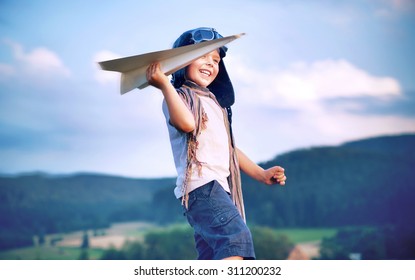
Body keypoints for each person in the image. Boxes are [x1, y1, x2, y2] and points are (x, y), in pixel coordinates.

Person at [146, 27, 286, 260]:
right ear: (181, 62)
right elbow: (187, 124)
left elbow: (229, 148)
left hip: (218, 188)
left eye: (216, 60)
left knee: (212, 255)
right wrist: (164, 85)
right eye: (202, 56)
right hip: (203, 188)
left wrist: (261, 174)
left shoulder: (214, 104)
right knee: (235, 240)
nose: (211, 64)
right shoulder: (178, 97)